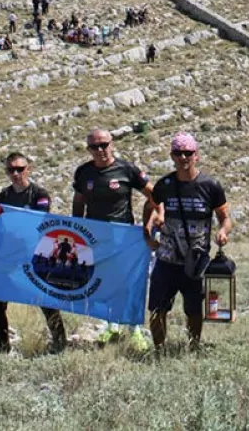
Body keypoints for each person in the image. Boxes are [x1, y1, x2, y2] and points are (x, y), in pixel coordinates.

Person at [146, 133, 232, 350]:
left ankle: (194, 346)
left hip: (196, 260)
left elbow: (225, 217)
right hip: (166, 258)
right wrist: (147, 231)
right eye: (178, 153)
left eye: (188, 153)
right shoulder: (164, 184)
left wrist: (223, 231)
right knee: (157, 309)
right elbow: (150, 206)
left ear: (197, 156)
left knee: (194, 310)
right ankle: (159, 350)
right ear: (172, 156)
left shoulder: (210, 186)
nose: (183, 157)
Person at [72, 129, 155, 348]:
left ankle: (134, 329)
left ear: (112, 144)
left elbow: (153, 195)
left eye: (104, 145)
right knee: (104, 281)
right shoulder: (83, 172)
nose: (100, 150)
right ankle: (111, 326)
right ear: (88, 149)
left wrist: (149, 222)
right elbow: (79, 201)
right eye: (94, 147)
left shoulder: (126, 169)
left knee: (128, 282)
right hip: (95, 236)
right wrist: (76, 229)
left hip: (124, 236)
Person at [0, 153, 66, 354]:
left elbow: (37, 221)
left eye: (20, 169)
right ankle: (2, 344)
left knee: (46, 301)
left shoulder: (39, 194)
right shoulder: (4, 196)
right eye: (11, 170)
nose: (16, 173)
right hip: (10, 257)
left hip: (36, 256)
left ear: (29, 169)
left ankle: (60, 343)